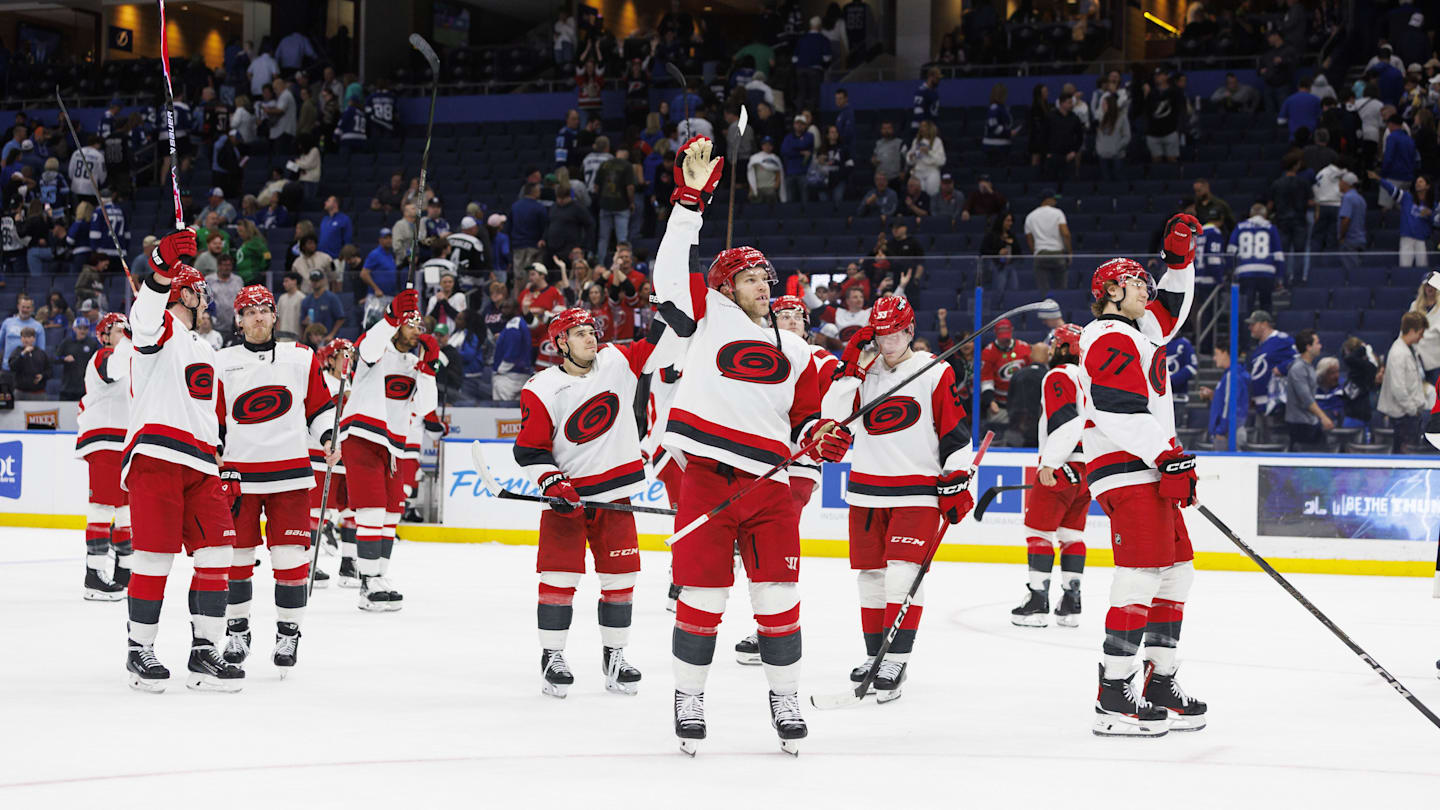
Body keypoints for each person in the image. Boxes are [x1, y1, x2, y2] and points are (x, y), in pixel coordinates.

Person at [655, 136, 851, 755]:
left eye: (765, 276)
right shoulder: (706, 317)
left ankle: (785, 698)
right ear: (723, 287)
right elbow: (666, 274)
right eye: (748, 277)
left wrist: (826, 437)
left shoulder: (799, 352)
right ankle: (689, 697)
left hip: (769, 489)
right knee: (704, 600)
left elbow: (809, 423)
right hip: (708, 478)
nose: (762, 285)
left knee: (778, 599)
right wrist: (690, 202)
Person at [1081, 216, 1206, 738]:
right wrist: (1167, 451)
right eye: (1139, 283)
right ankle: (1113, 692)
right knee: (1140, 573)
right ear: (1112, 289)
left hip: (1149, 467)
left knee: (1177, 569)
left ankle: (1158, 679)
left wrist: (1178, 263)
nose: (1148, 291)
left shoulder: (1137, 332)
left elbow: (1170, 313)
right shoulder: (1107, 333)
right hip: (1129, 468)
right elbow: (1114, 407)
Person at [820, 296, 973, 702]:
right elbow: (831, 419)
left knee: (903, 575)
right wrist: (850, 369)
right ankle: (875, 655)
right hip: (866, 490)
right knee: (870, 578)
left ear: (909, 331)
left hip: (916, 492)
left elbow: (957, 434)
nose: (887, 341)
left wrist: (957, 474)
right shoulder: (862, 374)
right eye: (880, 332)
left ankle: (896, 659)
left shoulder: (933, 371)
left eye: (895, 332)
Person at [122, 231, 243, 692]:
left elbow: (216, 417)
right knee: (154, 556)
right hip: (156, 455)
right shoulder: (160, 330)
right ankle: (140, 648)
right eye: (199, 290)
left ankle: (203, 650)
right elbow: (145, 314)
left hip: (202, 464)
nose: (207, 299)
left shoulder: (206, 349)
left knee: (218, 553)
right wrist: (160, 267)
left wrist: (224, 464)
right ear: (183, 292)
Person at [514, 308, 656, 697]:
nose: (591, 338)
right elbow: (529, 449)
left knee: (620, 580)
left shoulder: (617, 362)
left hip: (614, 498)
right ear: (560, 343)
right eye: (579, 334)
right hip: (567, 500)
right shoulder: (541, 387)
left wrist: (670, 300)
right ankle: (553, 656)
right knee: (559, 579)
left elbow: (661, 340)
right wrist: (552, 482)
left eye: (591, 331)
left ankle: (615, 657)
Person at [214, 286, 337, 675]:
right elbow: (213, 417)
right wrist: (213, 448)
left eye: (264, 310)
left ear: (275, 316)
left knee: (289, 560)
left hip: (290, 473)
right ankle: (237, 630)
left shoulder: (301, 357)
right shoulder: (221, 362)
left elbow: (319, 407)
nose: (257, 318)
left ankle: (289, 633)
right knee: (236, 560)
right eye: (248, 312)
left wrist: (329, 438)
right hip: (238, 475)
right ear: (238, 320)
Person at [337, 289, 427, 610]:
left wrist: (428, 370)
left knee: (391, 511)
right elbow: (370, 344)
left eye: (420, 325)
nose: (417, 330)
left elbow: (427, 407)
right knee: (372, 508)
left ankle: (380, 576)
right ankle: (367, 580)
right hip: (364, 433)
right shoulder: (376, 350)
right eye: (411, 323)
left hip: (395, 445)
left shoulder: (415, 362)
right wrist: (389, 315)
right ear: (397, 325)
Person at [1010, 323, 1089, 628]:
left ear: (1067, 348)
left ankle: (1037, 603)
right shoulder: (1090, 379)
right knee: (1072, 536)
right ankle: (1071, 603)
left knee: (1039, 533)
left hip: (1063, 464)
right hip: (1086, 470)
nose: (1052, 349)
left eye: (1056, 344)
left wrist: (1051, 463)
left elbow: (1064, 421)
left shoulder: (1059, 375)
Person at [74, 312, 133, 600]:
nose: (123, 333)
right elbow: (114, 368)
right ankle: (94, 575)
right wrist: (137, 338)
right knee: (102, 507)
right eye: (118, 330)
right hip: (105, 441)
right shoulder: (104, 355)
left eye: (126, 330)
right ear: (105, 336)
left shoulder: (130, 359)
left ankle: (125, 571)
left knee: (125, 512)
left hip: (125, 443)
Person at [310, 338, 355, 585]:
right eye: (343, 356)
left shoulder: (352, 384)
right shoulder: (323, 381)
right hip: (320, 454)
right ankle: (307, 563)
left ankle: (349, 563)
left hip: (346, 454)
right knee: (315, 510)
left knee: (350, 508)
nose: (349, 361)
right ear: (331, 358)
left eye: (351, 356)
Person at [1378, 311, 1431, 452]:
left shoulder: (1410, 350)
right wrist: (1412, 410)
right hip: (1404, 417)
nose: (1422, 337)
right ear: (1413, 330)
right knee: (1405, 456)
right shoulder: (1398, 353)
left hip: (1409, 415)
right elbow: (1398, 388)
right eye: (1421, 333)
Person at [1227, 204, 1285, 314]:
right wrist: (1280, 276)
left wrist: (1231, 270)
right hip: (1266, 272)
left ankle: (1245, 330)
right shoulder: (1271, 228)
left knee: (1246, 306)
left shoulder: (1240, 227)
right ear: (1265, 215)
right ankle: (1266, 328)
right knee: (1266, 305)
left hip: (1245, 272)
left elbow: (1231, 251)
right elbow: (1278, 254)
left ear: (1250, 214)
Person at [1282, 329, 1333, 450]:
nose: (1320, 346)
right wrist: (1323, 417)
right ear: (1308, 347)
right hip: (1300, 424)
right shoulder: (1298, 368)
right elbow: (1306, 398)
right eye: (1317, 343)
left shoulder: (1308, 367)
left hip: (1309, 421)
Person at [1372, 171, 1435, 267]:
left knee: (1423, 268)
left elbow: (1435, 223)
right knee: (1404, 267)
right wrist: (1379, 179)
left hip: (1422, 240)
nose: (1417, 183)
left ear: (1427, 186)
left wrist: (1430, 214)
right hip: (1407, 238)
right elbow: (1392, 190)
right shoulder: (1407, 197)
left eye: (1421, 182)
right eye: (1417, 182)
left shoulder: (1431, 204)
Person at [979, 318, 1029, 427]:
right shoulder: (988, 352)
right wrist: (990, 401)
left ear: (1012, 330)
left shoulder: (1024, 348)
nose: (1005, 341)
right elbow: (986, 379)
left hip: (1021, 403)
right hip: (999, 403)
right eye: (1002, 338)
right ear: (995, 333)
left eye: (1007, 337)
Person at [1024, 190, 1071, 292]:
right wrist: (1069, 252)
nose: (1055, 201)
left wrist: (1035, 252)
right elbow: (1066, 234)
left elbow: (1029, 239)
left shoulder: (1030, 216)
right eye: (1054, 199)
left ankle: (1045, 305)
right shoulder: (1058, 213)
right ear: (1047, 199)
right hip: (1057, 254)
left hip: (1040, 255)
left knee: (1043, 290)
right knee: (1061, 290)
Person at [57, 316, 99, 401]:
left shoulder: (92, 343)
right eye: (80, 328)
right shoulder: (66, 342)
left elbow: (96, 363)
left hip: (85, 387)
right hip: (67, 387)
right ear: (74, 328)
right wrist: (64, 358)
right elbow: (55, 358)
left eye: (85, 328)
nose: (82, 331)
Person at [0, 293, 44, 371]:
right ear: (18, 307)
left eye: (28, 307)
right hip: (7, 369)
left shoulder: (38, 326)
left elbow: (41, 352)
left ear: (32, 309)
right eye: (23, 307)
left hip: (27, 371)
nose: (25, 310)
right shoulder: (7, 322)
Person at [302, 271, 346, 344]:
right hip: (312, 340)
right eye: (313, 280)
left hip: (328, 338)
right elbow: (303, 322)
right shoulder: (306, 300)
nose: (315, 283)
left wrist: (332, 334)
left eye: (317, 280)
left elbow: (340, 318)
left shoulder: (332, 298)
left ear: (323, 280)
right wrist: (305, 322)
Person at [1337, 171, 1367, 273]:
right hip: (1360, 240)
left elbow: (1346, 219)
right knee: (1358, 271)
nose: (1339, 184)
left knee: (1353, 274)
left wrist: (1341, 236)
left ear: (1346, 184)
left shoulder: (1347, 198)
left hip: (1350, 241)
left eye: (1340, 182)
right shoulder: (1361, 198)